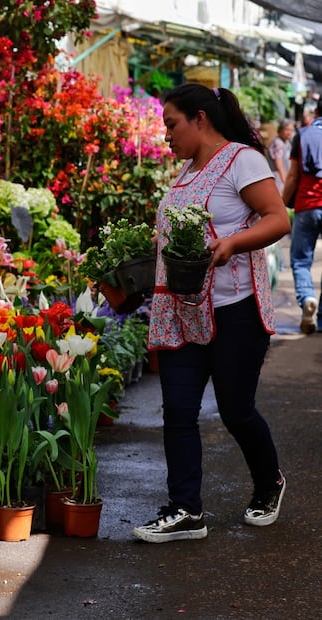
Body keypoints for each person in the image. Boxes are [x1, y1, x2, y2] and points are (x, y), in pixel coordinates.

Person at [132, 83, 290, 544]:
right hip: (182, 312)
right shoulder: (185, 173)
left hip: (233, 309)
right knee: (178, 412)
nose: (166, 135)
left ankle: (269, 483)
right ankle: (185, 510)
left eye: (172, 124)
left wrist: (232, 244)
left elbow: (278, 218)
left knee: (236, 410)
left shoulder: (243, 160)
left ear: (201, 119)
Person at [282, 105, 322, 335]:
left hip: (307, 205)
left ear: (316, 111)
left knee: (300, 260)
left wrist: (278, 205)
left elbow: (293, 175)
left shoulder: (303, 134)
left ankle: (308, 297)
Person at [267, 119, 295, 193]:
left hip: (285, 177)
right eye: (287, 130)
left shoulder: (287, 142)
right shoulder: (278, 143)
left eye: (291, 130)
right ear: (281, 129)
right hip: (279, 178)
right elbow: (279, 165)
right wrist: (286, 182)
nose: (289, 133)